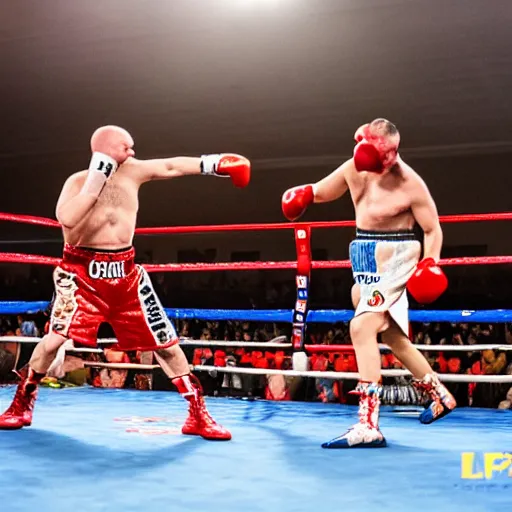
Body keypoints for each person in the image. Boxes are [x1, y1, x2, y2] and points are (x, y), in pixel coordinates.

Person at [0, 125, 251, 440]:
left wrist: (213, 163)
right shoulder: (77, 181)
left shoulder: (134, 172)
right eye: (126, 146)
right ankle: (21, 403)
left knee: (167, 344)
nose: (132, 152)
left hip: (126, 274)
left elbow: (171, 166)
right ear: (105, 148)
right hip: (81, 275)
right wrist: (95, 181)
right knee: (54, 339)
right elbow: (67, 218)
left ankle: (198, 414)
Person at [281, 118, 456, 448]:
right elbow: (322, 191)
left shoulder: (411, 184)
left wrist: (430, 262)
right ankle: (440, 394)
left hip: (397, 256)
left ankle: (368, 424)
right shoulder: (353, 166)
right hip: (364, 256)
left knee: (361, 328)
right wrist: (303, 194)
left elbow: (433, 229)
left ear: (389, 155)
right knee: (392, 335)